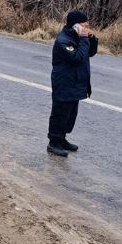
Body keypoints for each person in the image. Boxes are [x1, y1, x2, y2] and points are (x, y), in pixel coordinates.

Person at [47, 11, 98, 157]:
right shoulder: (63, 40)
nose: (87, 25)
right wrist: (83, 39)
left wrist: (91, 38)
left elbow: (91, 52)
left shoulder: (78, 38)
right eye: (84, 23)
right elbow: (78, 58)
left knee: (70, 114)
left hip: (75, 82)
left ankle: (62, 139)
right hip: (64, 82)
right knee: (60, 113)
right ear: (75, 25)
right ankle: (53, 143)